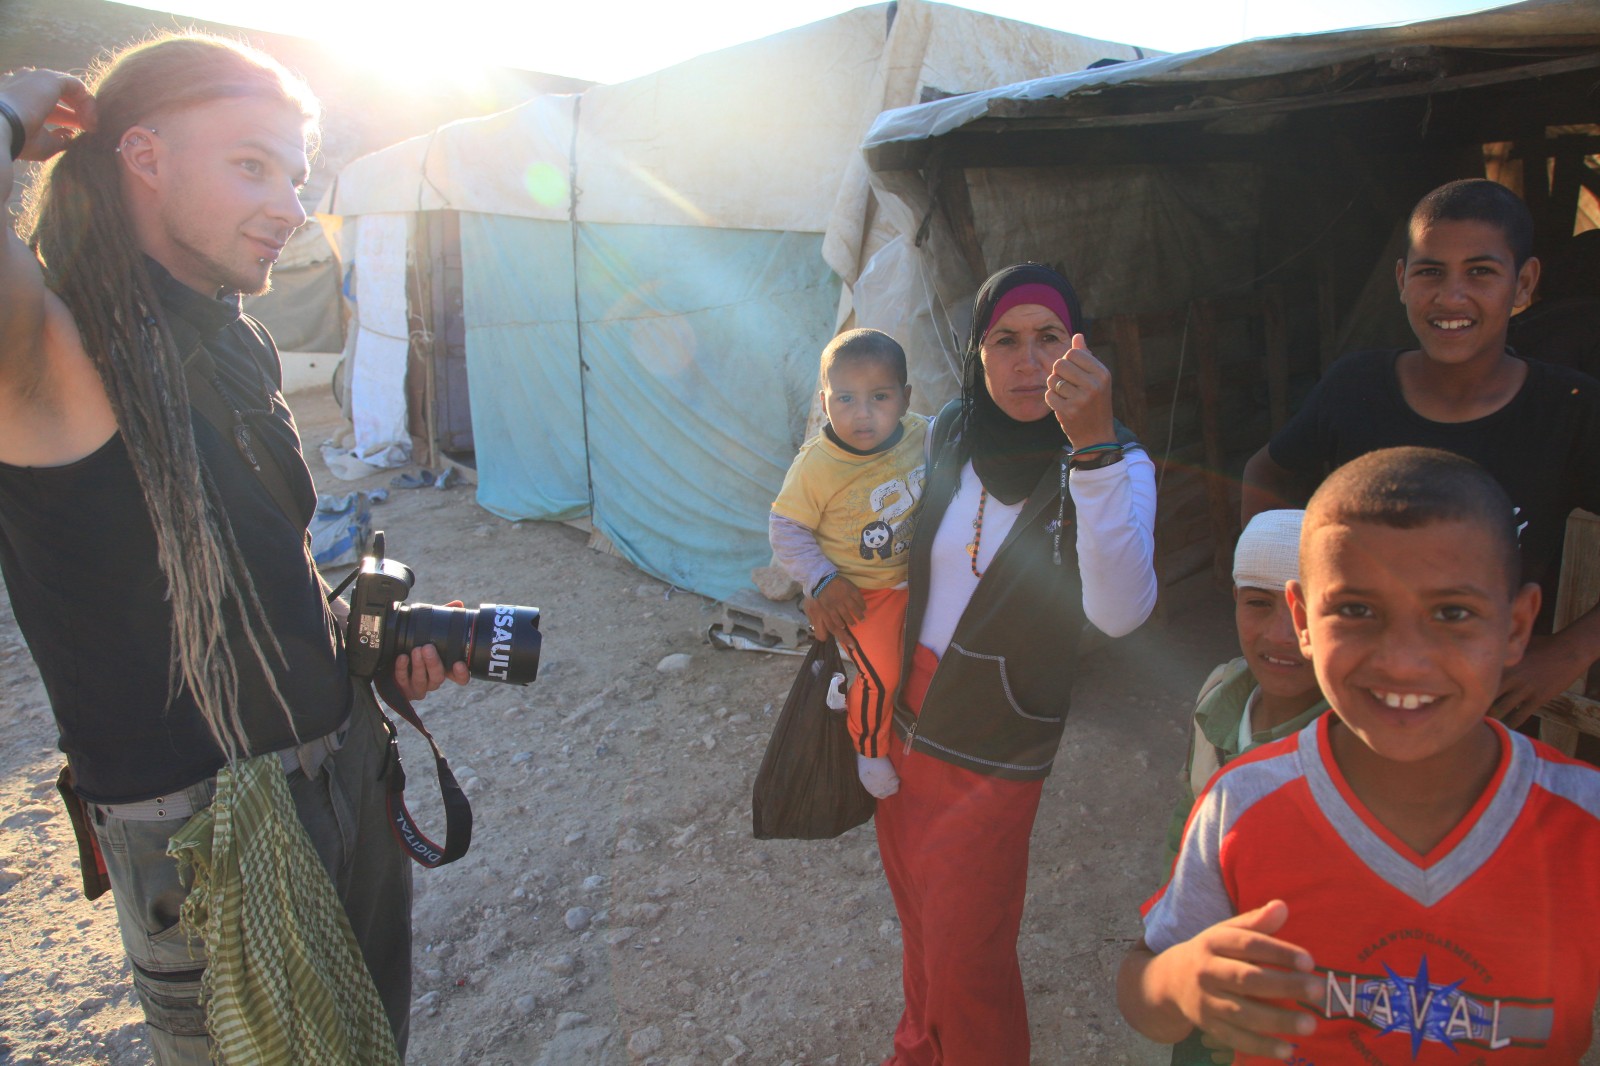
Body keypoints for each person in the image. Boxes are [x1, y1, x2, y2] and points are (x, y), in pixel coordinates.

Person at [0, 37, 466, 1062]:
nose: (290, 207)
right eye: (250, 165)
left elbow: (266, 565)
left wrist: (362, 641)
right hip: (211, 839)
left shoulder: (231, 335)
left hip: (341, 776)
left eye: (294, 177)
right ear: (143, 154)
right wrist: (11, 114)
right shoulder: (56, 359)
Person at [1119, 446, 1600, 1063]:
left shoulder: (1583, 824)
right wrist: (1181, 985)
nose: (1402, 659)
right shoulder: (1244, 803)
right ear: (1304, 621)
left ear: (1516, 627)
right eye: (1356, 610)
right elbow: (1143, 985)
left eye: (1452, 613)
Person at [874, 263, 1158, 1064]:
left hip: (997, 736)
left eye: (1048, 340)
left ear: (1081, 349)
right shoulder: (953, 432)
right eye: (1006, 340)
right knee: (921, 914)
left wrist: (1093, 450)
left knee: (969, 943)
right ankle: (919, 1046)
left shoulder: (1119, 462)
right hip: (905, 712)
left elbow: (1119, 612)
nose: (1029, 363)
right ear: (979, 350)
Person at [1241, 178, 1600, 731]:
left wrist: (1571, 651)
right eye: (1431, 270)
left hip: (1484, 706)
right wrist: (1273, 598)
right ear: (1402, 280)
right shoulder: (1355, 388)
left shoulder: (1569, 410)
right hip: (1352, 700)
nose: (1451, 296)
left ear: (1524, 284)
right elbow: (1265, 470)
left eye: (1480, 271)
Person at [1160, 508, 1327, 1066]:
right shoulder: (1220, 694)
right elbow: (1183, 842)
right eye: (1259, 603)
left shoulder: (1353, 748)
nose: (1284, 634)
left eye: (1311, 607)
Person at [770, 328, 927, 798]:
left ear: (905, 397)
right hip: (861, 593)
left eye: (879, 396)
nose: (862, 413)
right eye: (845, 399)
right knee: (882, 673)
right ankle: (869, 748)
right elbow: (786, 528)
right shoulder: (817, 465)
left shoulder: (924, 433)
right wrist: (822, 581)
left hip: (921, 579)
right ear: (824, 400)